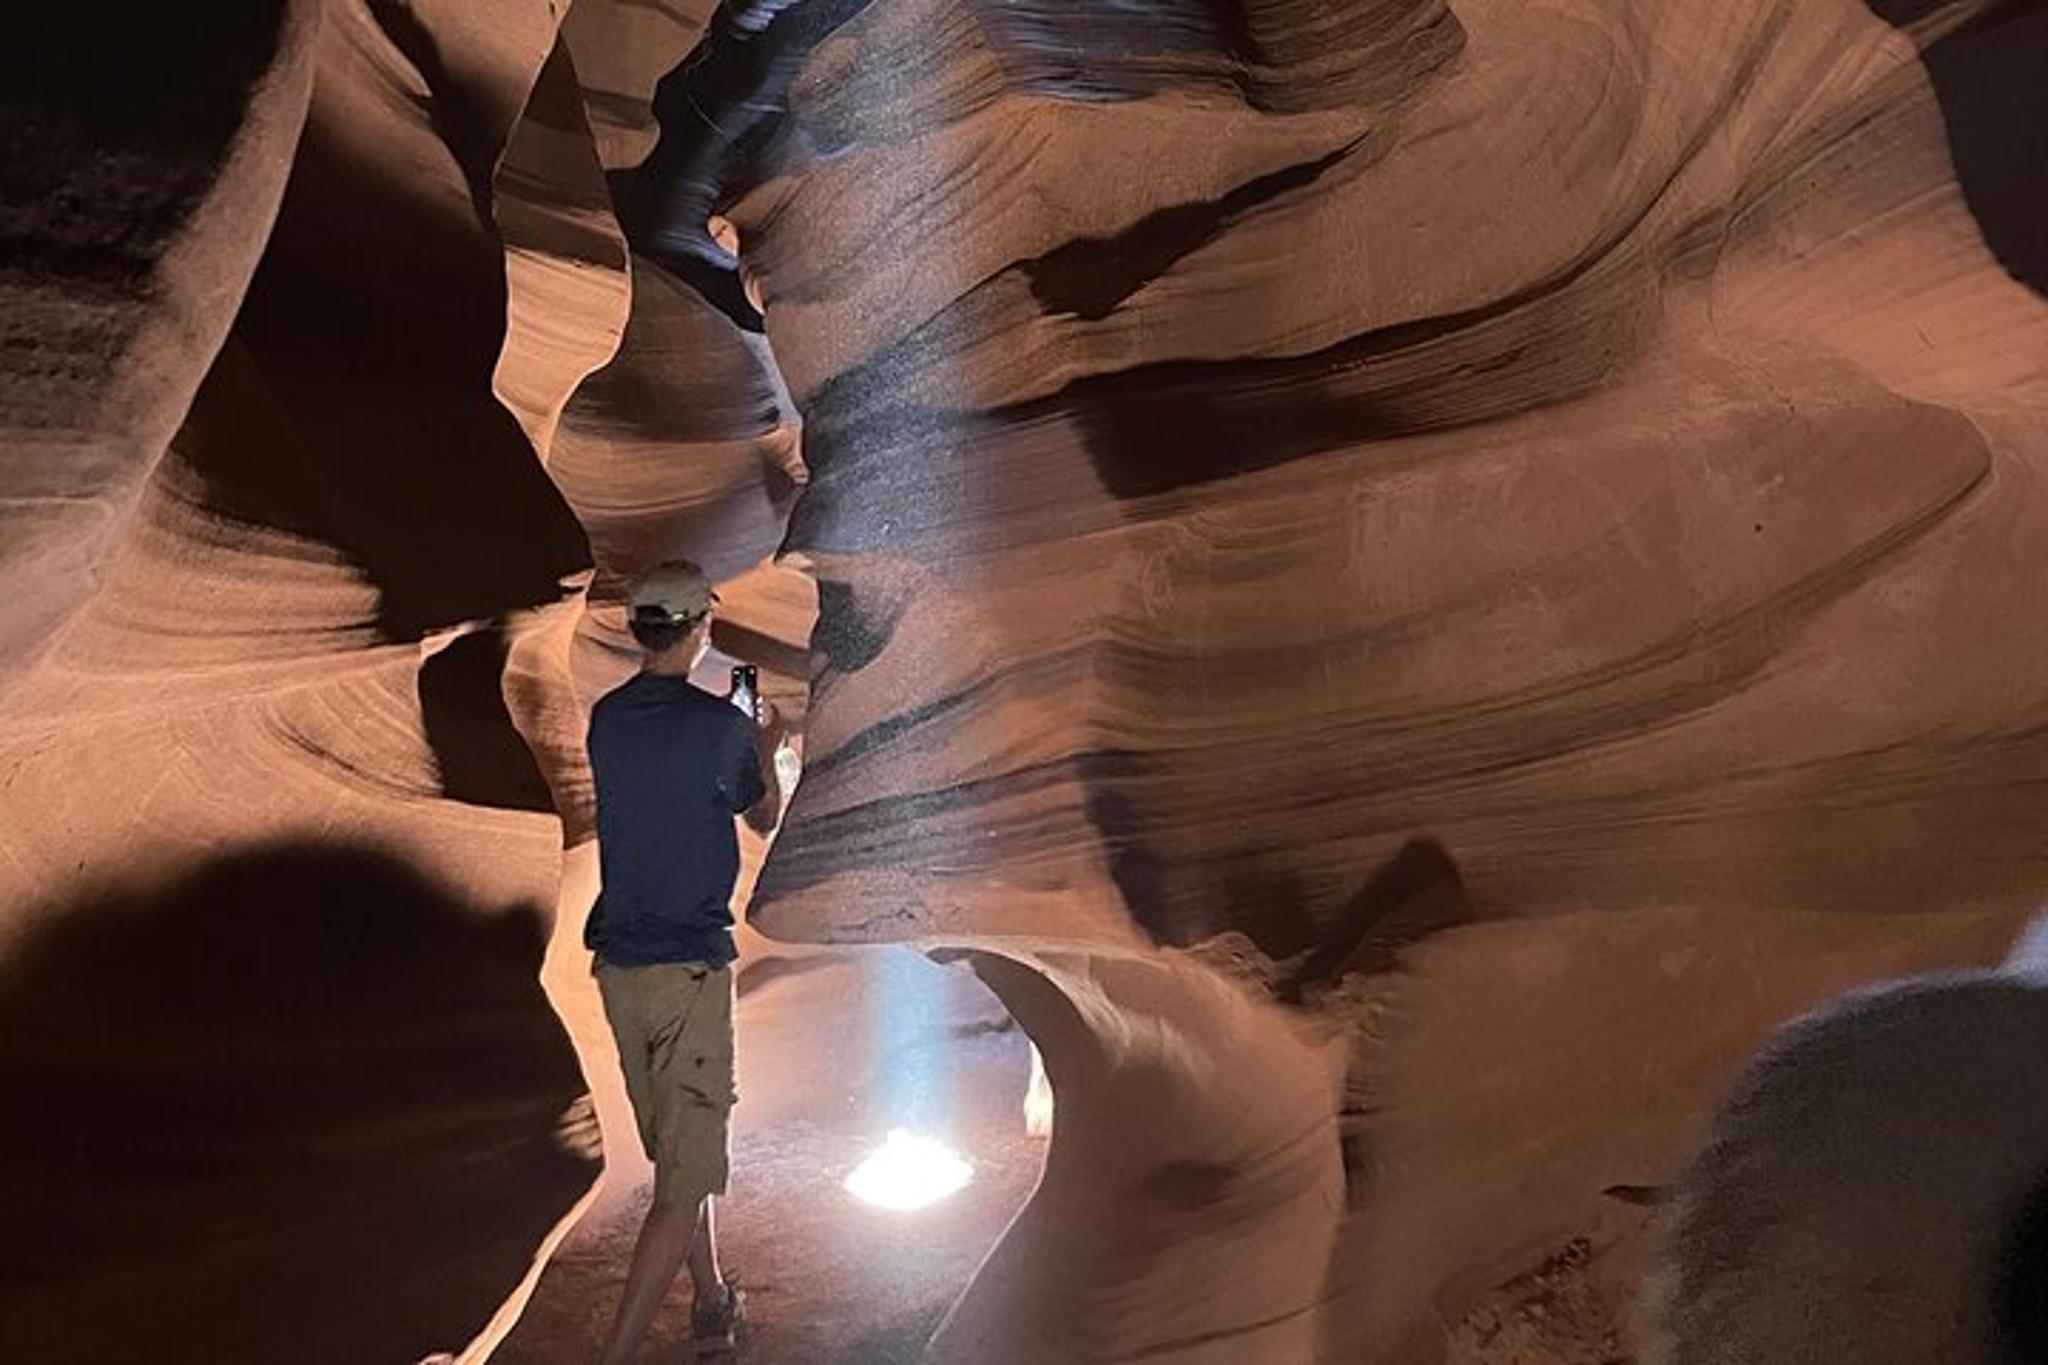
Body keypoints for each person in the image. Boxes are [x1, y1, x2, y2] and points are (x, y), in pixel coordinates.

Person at [587, 560, 788, 1361]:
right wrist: (764, 744)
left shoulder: (606, 720)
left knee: (680, 1158)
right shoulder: (721, 729)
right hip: (690, 969)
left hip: (621, 971)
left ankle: (711, 1301)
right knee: (683, 1177)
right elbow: (764, 817)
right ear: (700, 628)